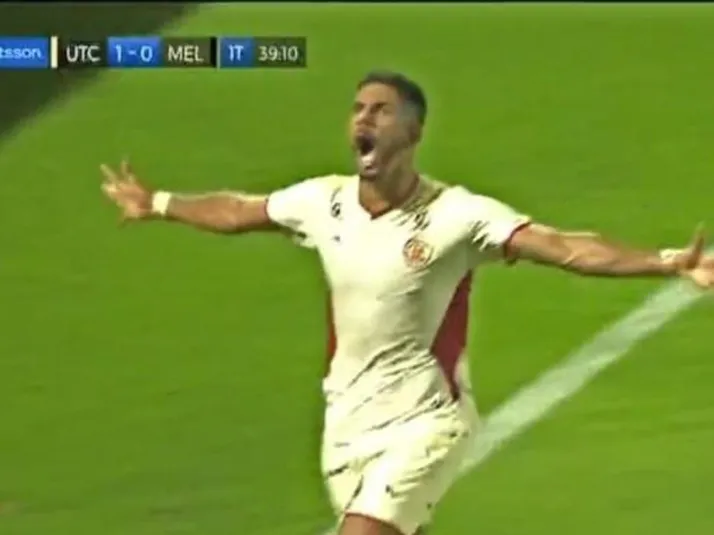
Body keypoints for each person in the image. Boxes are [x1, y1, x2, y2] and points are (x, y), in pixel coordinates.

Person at [100, 71, 714, 535]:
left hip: (427, 422)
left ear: (413, 132)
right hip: (346, 425)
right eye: (358, 109)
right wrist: (157, 203)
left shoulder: (456, 215)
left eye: (381, 110)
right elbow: (240, 211)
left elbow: (564, 247)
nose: (363, 118)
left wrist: (665, 260)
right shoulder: (323, 201)